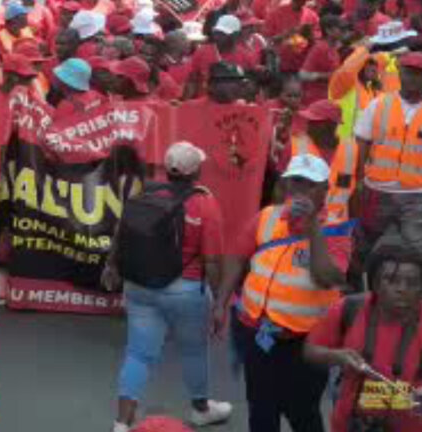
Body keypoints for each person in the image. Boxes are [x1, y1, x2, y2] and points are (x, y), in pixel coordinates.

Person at [216, 153, 353, 432]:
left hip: (306, 345)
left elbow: (328, 278)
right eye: (294, 182)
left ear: (324, 189)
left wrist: (313, 226)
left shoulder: (336, 228)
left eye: (308, 184)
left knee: (302, 412)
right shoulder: (267, 217)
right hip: (259, 334)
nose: (299, 190)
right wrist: (220, 303)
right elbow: (237, 257)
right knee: (261, 409)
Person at [104, 142, 231, 432]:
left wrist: (111, 266)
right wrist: (219, 305)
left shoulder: (145, 194)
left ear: (167, 169)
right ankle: (201, 409)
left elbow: (121, 232)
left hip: (139, 286)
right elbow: (212, 263)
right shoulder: (205, 203)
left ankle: (121, 424)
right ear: (196, 171)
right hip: (185, 291)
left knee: (138, 354)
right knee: (194, 350)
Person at [304, 234, 422, 432]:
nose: (402, 289)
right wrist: (337, 356)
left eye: (412, 283)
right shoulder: (349, 309)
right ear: (375, 284)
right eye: (391, 281)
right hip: (351, 424)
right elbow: (309, 350)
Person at [356, 51, 422, 252]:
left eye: (419, 74)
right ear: (400, 73)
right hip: (377, 190)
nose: (414, 78)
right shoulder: (379, 104)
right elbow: (363, 142)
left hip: (416, 195)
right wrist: (360, 181)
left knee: (416, 248)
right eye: (409, 72)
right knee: (368, 243)